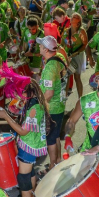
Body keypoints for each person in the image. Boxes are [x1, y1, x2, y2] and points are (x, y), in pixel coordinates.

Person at [0, 77, 50, 197]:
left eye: (19, 92)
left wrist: (6, 116)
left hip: (29, 146)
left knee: (24, 178)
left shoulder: (34, 109)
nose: (17, 96)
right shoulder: (33, 102)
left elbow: (23, 131)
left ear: (27, 91)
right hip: (32, 144)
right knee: (30, 173)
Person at [36, 36, 67, 172]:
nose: (39, 47)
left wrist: (39, 105)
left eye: (41, 45)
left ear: (45, 49)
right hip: (59, 104)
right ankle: (58, 160)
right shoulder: (59, 57)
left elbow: (48, 93)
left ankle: (53, 166)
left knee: (50, 139)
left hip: (52, 107)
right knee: (55, 137)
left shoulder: (49, 68)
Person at [61, 13, 87, 99]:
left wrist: (76, 52)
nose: (73, 19)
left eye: (76, 18)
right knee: (67, 76)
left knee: (77, 77)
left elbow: (85, 45)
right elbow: (62, 44)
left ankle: (80, 99)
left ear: (79, 22)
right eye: (72, 17)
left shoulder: (81, 31)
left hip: (77, 56)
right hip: (68, 56)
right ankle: (64, 98)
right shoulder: (66, 31)